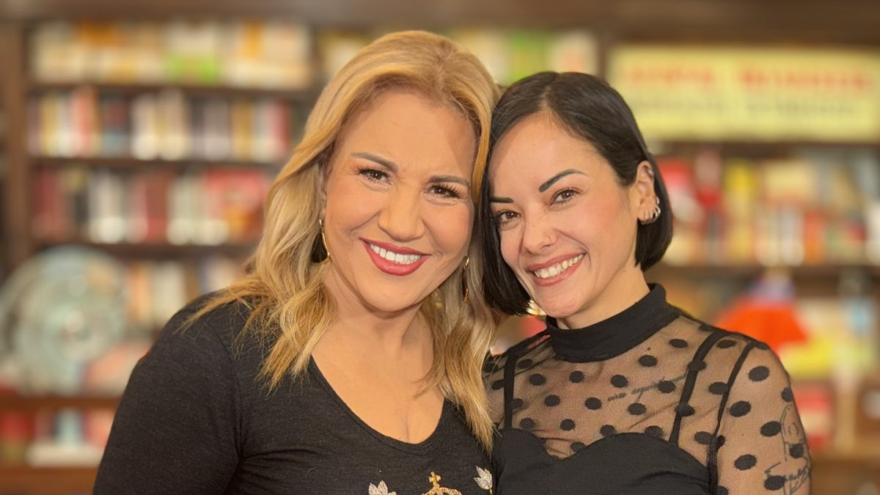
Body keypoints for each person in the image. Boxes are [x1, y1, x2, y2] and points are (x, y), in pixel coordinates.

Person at [94, 31, 500, 495]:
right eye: (374, 174)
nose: (402, 223)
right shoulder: (215, 354)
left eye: (444, 190)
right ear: (324, 178)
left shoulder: (481, 376)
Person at [478, 72, 811, 495]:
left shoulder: (737, 380)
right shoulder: (490, 387)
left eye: (563, 195)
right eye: (508, 215)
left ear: (641, 190)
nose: (533, 239)